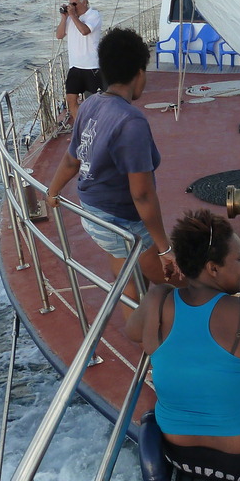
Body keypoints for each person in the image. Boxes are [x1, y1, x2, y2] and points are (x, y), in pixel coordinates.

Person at [125, 210, 240, 481]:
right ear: (212, 268)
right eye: (238, 258)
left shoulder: (158, 300)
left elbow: (133, 332)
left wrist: (176, 283)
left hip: (179, 456)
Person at [46, 28, 179, 314]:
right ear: (140, 73)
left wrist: (52, 191)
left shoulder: (89, 104)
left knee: (129, 278)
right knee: (180, 282)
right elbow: (142, 194)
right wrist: (165, 249)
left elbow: (72, 160)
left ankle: (141, 338)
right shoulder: (132, 122)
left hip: (94, 216)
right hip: (122, 222)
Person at [55, 0, 103, 127]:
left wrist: (73, 16)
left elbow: (85, 31)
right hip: (75, 66)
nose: (71, 7)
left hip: (91, 66)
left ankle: (99, 127)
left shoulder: (93, 15)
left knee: (96, 102)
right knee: (71, 100)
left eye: (74, 4)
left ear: (85, 2)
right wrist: (65, 18)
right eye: (70, 4)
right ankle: (81, 127)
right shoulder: (70, 19)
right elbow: (59, 35)